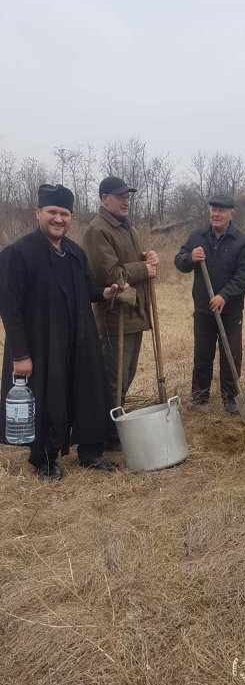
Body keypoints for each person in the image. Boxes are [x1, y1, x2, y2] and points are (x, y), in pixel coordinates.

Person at [0, 184, 122, 481]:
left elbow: (86, 288)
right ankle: (44, 459)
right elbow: (10, 308)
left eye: (64, 214)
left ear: (71, 217)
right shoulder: (18, 254)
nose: (58, 219)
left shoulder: (74, 252)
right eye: (52, 212)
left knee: (88, 392)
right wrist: (21, 354)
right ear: (38, 212)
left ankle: (91, 453)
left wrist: (105, 291)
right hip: (41, 344)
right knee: (46, 398)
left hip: (79, 340)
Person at [84, 176, 159, 445]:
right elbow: (110, 274)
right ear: (105, 199)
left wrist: (148, 259)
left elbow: (133, 263)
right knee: (112, 379)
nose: (126, 200)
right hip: (115, 316)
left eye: (128, 196)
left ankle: (115, 424)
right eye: (120, 196)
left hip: (135, 314)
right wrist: (143, 270)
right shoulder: (98, 229)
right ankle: (104, 432)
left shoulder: (129, 228)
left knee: (126, 376)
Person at [174, 194, 245, 414]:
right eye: (213, 209)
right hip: (203, 308)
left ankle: (231, 399)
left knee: (231, 355)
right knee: (202, 354)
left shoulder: (242, 241)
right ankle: (200, 397)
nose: (216, 214)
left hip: (230, 310)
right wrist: (190, 257)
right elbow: (179, 262)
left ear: (231, 214)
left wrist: (224, 296)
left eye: (221, 210)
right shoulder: (197, 237)